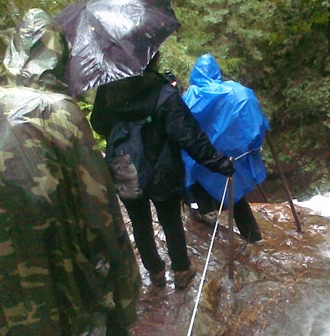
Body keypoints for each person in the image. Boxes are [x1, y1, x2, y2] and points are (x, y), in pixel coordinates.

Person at [0, 9, 143, 336]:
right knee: (67, 263)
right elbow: (97, 200)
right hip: (46, 214)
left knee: (16, 272)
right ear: (57, 58)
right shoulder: (59, 109)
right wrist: (119, 269)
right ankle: (100, 335)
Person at [90, 52, 234, 290]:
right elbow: (190, 137)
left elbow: (98, 124)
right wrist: (221, 164)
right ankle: (181, 270)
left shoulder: (108, 91)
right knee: (170, 220)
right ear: (152, 60)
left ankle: (156, 272)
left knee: (139, 222)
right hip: (162, 168)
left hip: (125, 166)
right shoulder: (164, 93)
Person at [182, 54, 270, 244]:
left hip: (205, 159)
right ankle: (253, 235)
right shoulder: (237, 91)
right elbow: (255, 123)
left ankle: (206, 211)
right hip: (233, 157)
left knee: (191, 168)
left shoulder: (192, 95)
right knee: (234, 190)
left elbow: (182, 128)